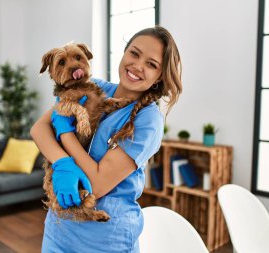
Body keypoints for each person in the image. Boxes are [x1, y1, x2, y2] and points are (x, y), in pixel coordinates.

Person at [30, 25, 182, 253]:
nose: (138, 66)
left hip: (106, 240)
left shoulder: (148, 119)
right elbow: (39, 129)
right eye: (134, 53)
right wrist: (62, 163)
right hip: (59, 232)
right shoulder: (95, 87)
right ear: (124, 52)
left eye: (151, 64)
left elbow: (98, 185)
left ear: (160, 76)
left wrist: (65, 134)